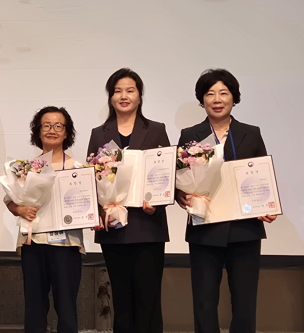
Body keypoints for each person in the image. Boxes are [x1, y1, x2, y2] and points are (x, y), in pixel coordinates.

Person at [175, 68, 276, 333]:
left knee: (244, 302)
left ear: (234, 97)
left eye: (223, 93)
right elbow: (178, 178)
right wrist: (181, 194)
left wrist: (267, 205)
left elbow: (261, 177)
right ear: (202, 99)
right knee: (204, 301)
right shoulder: (189, 134)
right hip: (205, 228)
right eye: (210, 94)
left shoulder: (251, 133)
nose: (217, 99)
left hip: (245, 230)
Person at [87, 68, 170, 333]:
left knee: (148, 297)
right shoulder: (99, 133)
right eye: (118, 91)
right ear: (110, 97)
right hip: (114, 228)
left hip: (147, 225)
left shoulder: (156, 130)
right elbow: (92, 177)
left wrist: (158, 202)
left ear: (139, 96)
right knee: (121, 297)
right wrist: (99, 212)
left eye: (130, 90)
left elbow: (165, 174)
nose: (124, 96)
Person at [6, 106, 84, 333]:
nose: (52, 130)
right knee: (34, 306)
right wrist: (19, 209)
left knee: (67, 307)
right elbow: (9, 201)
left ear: (67, 132)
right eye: (46, 125)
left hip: (66, 245)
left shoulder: (79, 168)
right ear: (38, 131)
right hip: (34, 243)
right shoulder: (26, 169)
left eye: (58, 126)